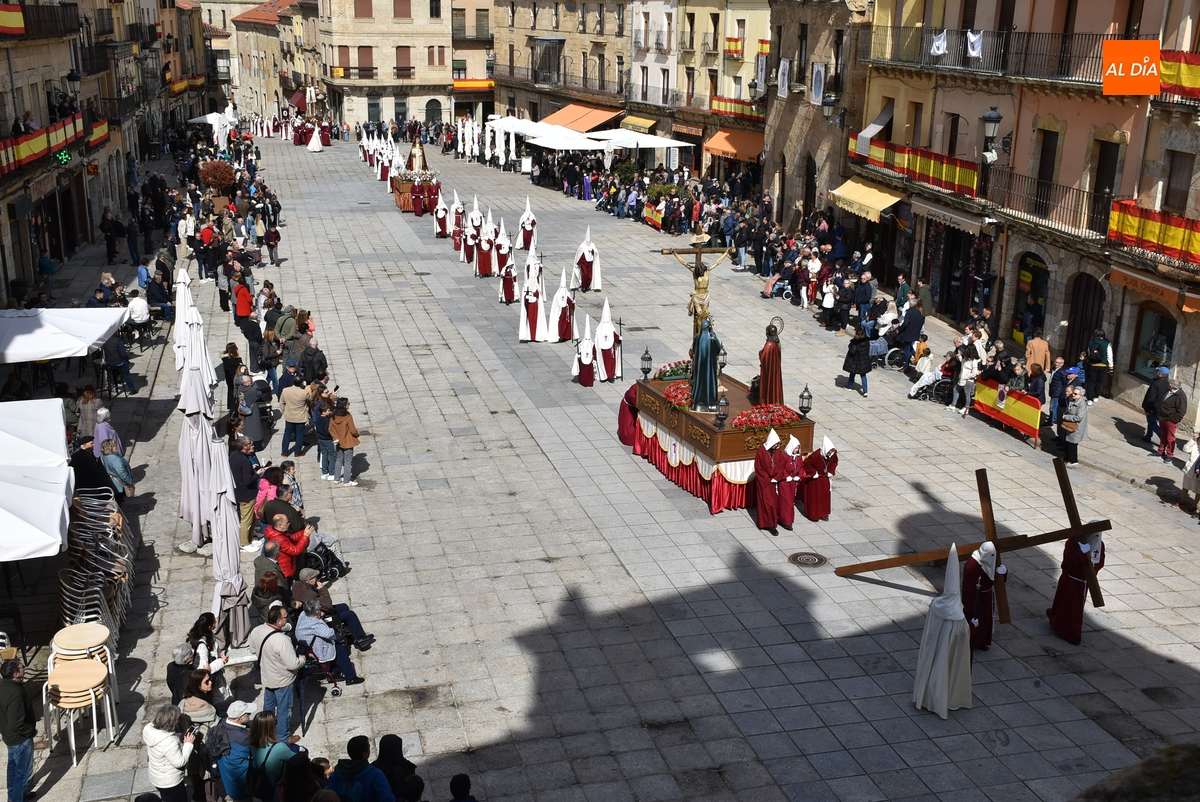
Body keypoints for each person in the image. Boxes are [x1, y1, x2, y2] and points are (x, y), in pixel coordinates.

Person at [912, 544, 972, 719]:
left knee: (935, 668)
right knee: (947, 670)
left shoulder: (937, 605)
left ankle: (927, 696)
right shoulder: (957, 614)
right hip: (950, 645)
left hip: (937, 644)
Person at [249, 607, 304, 743]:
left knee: (268, 707)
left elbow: (252, 649)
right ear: (279, 621)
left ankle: (265, 732)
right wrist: (302, 659)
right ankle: (283, 737)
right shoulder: (282, 640)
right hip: (283, 680)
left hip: (267, 677)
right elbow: (293, 664)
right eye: (285, 618)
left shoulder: (257, 630)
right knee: (284, 709)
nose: (287, 619)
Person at [291, 568, 374, 650]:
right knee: (350, 615)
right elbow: (328, 605)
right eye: (315, 577)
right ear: (309, 580)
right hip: (320, 616)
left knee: (343, 606)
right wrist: (323, 589)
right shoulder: (310, 595)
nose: (317, 578)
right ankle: (360, 639)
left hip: (311, 612)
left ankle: (353, 635)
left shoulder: (297, 585)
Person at [1047, 533, 1105, 645]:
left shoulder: (1099, 544)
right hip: (1070, 578)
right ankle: (1065, 629)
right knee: (1064, 603)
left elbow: (1099, 561)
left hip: (1081, 582)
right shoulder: (1073, 542)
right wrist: (1081, 553)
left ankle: (1071, 632)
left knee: (1074, 608)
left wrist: (1093, 568)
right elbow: (1069, 560)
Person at [297, 598, 365, 685]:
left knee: (335, 647)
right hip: (314, 649)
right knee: (340, 649)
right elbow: (329, 634)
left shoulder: (303, 614)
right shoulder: (315, 624)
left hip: (304, 644)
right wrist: (337, 636)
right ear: (317, 611)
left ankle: (335, 672)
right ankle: (351, 677)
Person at [0, 659, 38, 802]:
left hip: (10, 738)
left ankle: (14, 796)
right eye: (22, 667)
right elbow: (17, 724)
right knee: (22, 773)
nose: (24, 668)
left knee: (13, 769)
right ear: (16, 674)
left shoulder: (3, 685)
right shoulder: (15, 693)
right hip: (21, 739)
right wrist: (31, 731)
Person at [143, 704, 196, 802]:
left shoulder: (148, 728)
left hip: (156, 776)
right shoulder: (169, 742)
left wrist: (180, 736)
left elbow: (164, 737)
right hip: (170, 782)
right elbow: (180, 762)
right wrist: (188, 744)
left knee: (166, 797)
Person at [961, 542, 1007, 651]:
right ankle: (972, 642)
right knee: (977, 619)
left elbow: (992, 574)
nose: (993, 558)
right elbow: (968, 588)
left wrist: (1003, 573)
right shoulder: (972, 565)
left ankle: (982, 641)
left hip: (987, 596)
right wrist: (970, 608)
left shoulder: (990, 558)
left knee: (985, 620)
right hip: (976, 598)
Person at [209, 700, 256, 802]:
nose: (250, 715)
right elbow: (255, 756)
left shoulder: (222, 724)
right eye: (248, 714)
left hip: (229, 779)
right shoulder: (242, 737)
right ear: (239, 718)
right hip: (242, 783)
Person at [327, 736, 396, 801]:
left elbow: (329, 793)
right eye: (369, 747)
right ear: (364, 754)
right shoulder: (375, 774)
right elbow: (387, 798)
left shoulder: (338, 771)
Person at [230, 436, 265, 551]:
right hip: (246, 494)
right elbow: (248, 480)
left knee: (251, 518)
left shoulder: (234, 456)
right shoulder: (245, 460)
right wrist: (258, 473)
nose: (252, 445)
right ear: (245, 446)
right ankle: (244, 543)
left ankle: (250, 538)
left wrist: (250, 468)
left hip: (239, 491)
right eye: (250, 443)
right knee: (247, 520)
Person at [799, 437, 837, 522]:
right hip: (816, 480)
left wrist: (831, 471)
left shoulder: (833, 454)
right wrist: (813, 472)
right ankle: (814, 514)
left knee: (824, 497)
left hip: (825, 478)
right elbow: (806, 464)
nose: (830, 453)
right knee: (815, 497)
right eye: (829, 451)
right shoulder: (815, 456)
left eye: (831, 451)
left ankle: (824, 513)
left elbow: (835, 461)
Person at [752, 429, 782, 536]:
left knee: (773, 504)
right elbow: (759, 468)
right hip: (765, 483)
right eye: (775, 445)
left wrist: (777, 477)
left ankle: (772, 523)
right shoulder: (761, 452)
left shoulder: (778, 451)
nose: (777, 447)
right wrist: (768, 479)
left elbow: (780, 464)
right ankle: (768, 524)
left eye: (778, 445)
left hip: (774, 482)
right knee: (766, 504)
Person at [689, 319, 721, 410]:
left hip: (700, 367)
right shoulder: (712, 338)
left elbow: (694, 349)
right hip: (710, 367)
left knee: (699, 383)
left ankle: (697, 403)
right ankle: (710, 403)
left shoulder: (698, 338)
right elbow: (718, 349)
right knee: (710, 383)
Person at [329, 397, 361, 486]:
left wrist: (336, 437)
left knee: (338, 460)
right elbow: (353, 430)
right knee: (348, 462)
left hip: (338, 442)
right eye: (348, 404)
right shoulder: (348, 416)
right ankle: (347, 481)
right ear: (344, 406)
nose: (349, 405)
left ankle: (336, 479)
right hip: (348, 442)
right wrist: (357, 435)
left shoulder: (333, 416)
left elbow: (330, 428)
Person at [1157, 379, 1188, 464]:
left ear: (1171, 385)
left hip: (1170, 420)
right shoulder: (1169, 391)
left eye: (1169, 384)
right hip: (1163, 417)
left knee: (1170, 438)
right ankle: (1161, 451)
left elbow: (1182, 411)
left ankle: (1170, 455)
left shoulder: (1181, 395)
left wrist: (1173, 419)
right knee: (1163, 435)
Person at [777, 436, 803, 532]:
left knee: (791, 501)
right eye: (795, 448)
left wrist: (799, 476)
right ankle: (786, 521)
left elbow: (801, 467)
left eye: (798, 448)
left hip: (793, 481)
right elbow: (781, 467)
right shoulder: (785, 456)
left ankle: (788, 519)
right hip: (785, 482)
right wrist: (786, 475)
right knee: (786, 501)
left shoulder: (798, 457)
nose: (797, 450)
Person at [1141, 366, 1171, 447]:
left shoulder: (1156, 383)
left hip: (1153, 408)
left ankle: (1163, 438)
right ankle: (1148, 436)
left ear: (1161, 374)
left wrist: (1147, 408)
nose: (1157, 373)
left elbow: (1151, 397)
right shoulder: (1168, 384)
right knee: (1151, 422)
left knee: (1152, 423)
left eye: (1159, 372)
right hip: (1161, 408)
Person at [280, 375, 309, 458]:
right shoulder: (304, 393)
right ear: (302, 383)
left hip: (289, 416)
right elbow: (310, 399)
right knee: (299, 435)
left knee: (287, 434)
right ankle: (297, 452)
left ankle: (284, 453)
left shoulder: (285, 390)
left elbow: (281, 402)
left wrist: (284, 411)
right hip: (300, 417)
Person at [1060, 385, 1088, 467]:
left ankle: (1073, 460)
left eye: (1075, 394)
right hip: (1070, 425)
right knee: (1068, 442)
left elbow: (1079, 417)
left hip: (1076, 427)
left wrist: (1066, 417)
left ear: (1080, 395)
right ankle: (1067, 458)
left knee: (1073, 443)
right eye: (1073, 393)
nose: (1073, 395)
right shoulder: (1073, 401)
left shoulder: (1082, 404)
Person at [101, 438, 135, 503]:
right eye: (114, 446)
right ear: (109, 448)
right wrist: (129, 482)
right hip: (118, 485)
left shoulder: (104, 455)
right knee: (118, 501)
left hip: (111, 483)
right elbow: (122, 473)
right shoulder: (115, 459)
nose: (116, 447)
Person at [758, 322, 783, 406]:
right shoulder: (777, 343)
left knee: (768, 385)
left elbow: (764, 356)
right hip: (775, 369)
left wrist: (760, 353)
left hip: (768, 371)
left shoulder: (769, 345)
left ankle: (767, 403)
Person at [1084, 329, 1112, 404]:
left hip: (1093, 365)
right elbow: (1110, 355)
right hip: (1103, 365)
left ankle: (1089, 399)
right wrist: (1111, 367)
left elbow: (1089, 353)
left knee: (1091, 381)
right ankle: (1096, 396)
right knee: (1099, 382)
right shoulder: (1107, 343)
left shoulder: (1091, 342)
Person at [842, 327, 872, 398]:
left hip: (855, 361)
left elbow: (852, 351)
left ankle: (849, 386)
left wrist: (850, 345)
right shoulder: (866, 341)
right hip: (864, 361)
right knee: (863, 376)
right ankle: (865, 391)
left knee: (852, 374)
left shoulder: (855, 343)